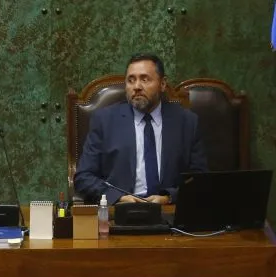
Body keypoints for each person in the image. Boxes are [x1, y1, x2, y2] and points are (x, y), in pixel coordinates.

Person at [74, 53, 207, 205]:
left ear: (162, 84)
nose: (136, 87)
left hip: (169, 211)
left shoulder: (187, 122)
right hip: (120, 212)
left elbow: (199, 179)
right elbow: (83, 177)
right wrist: (117, 197)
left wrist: (169, 197)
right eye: (131, 80)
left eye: (144, 79)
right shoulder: (104, 121)